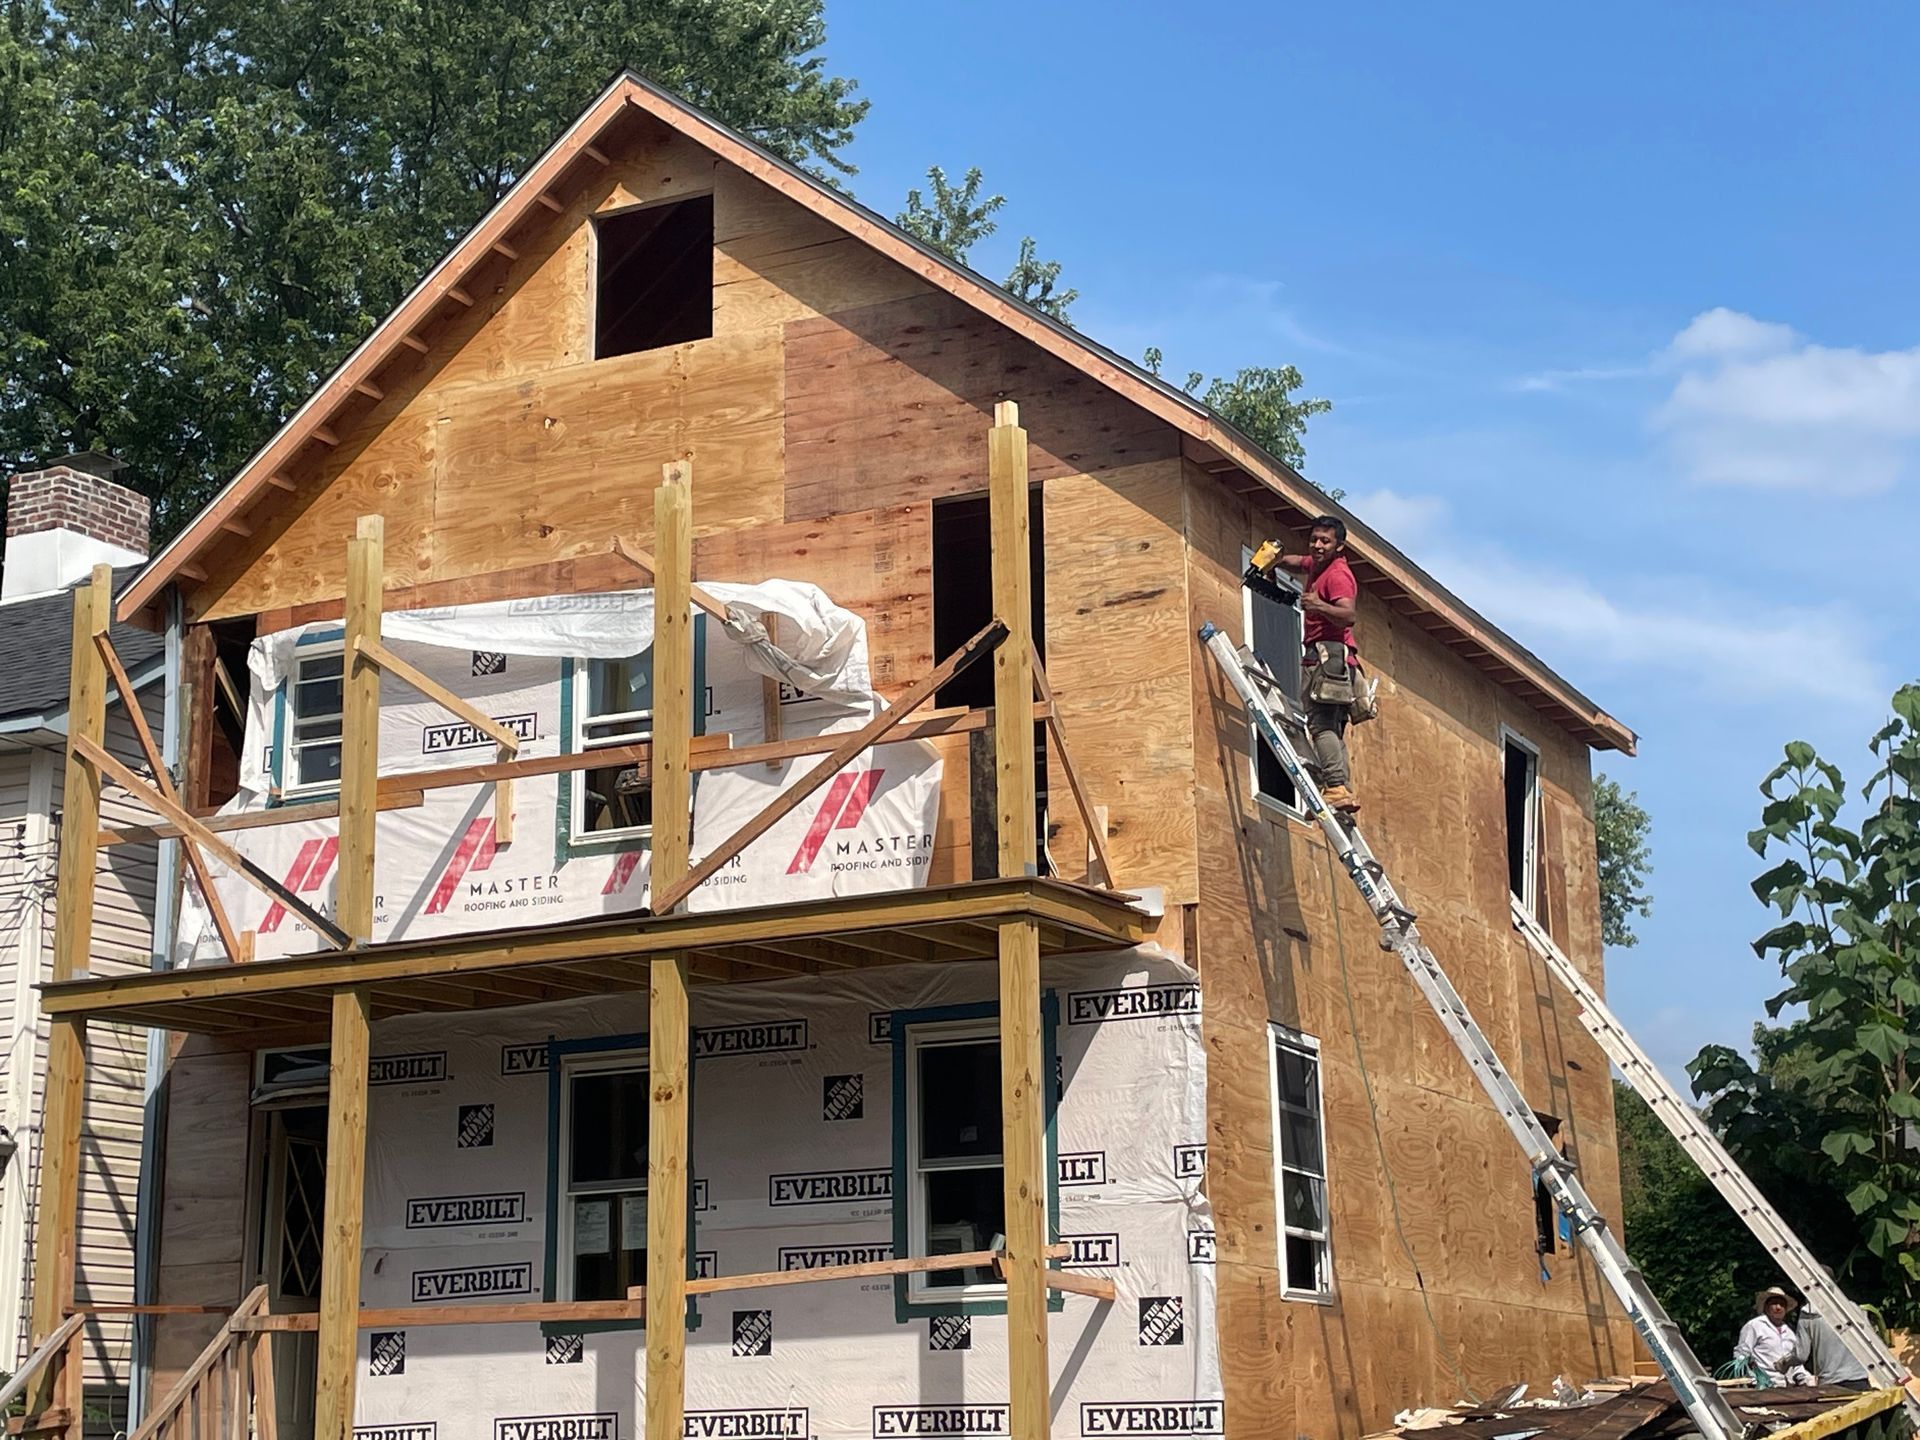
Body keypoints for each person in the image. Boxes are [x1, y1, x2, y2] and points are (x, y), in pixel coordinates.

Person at [1265, 515, 1363, 812]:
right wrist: (1277, 560)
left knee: (1321, 725)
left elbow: (1349, 615)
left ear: (1339, 545)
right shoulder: (1317, 564)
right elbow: (1300, 562)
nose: (1318, 546)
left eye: (1325, 541)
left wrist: (1318, 605)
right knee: (1331, 727)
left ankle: (1335, 786)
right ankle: (1340, 788)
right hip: (1334, 657)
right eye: (1314, 539)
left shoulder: (1337, 574)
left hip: (1328, 656)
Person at [1736, 1287, 1812, 1386]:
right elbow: (1742, 1354)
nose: (1778, 1307)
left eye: (1782, 1304)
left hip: (1787, 1386)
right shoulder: (1755, 1326)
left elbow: (1795, 1362)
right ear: (1766, 1307)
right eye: (1774, 1303)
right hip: (1763, 1385)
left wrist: (1803, 1377)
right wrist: (1750, 1377)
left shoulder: (1789, 1333)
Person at [1794, 1308, 1871, 1391]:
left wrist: (1784, 1364)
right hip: (1859, 1380)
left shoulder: (1808, 1314)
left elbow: (1801, 1355)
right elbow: (1870, 1343)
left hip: (1831, 1383)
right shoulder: (1855, 1309)